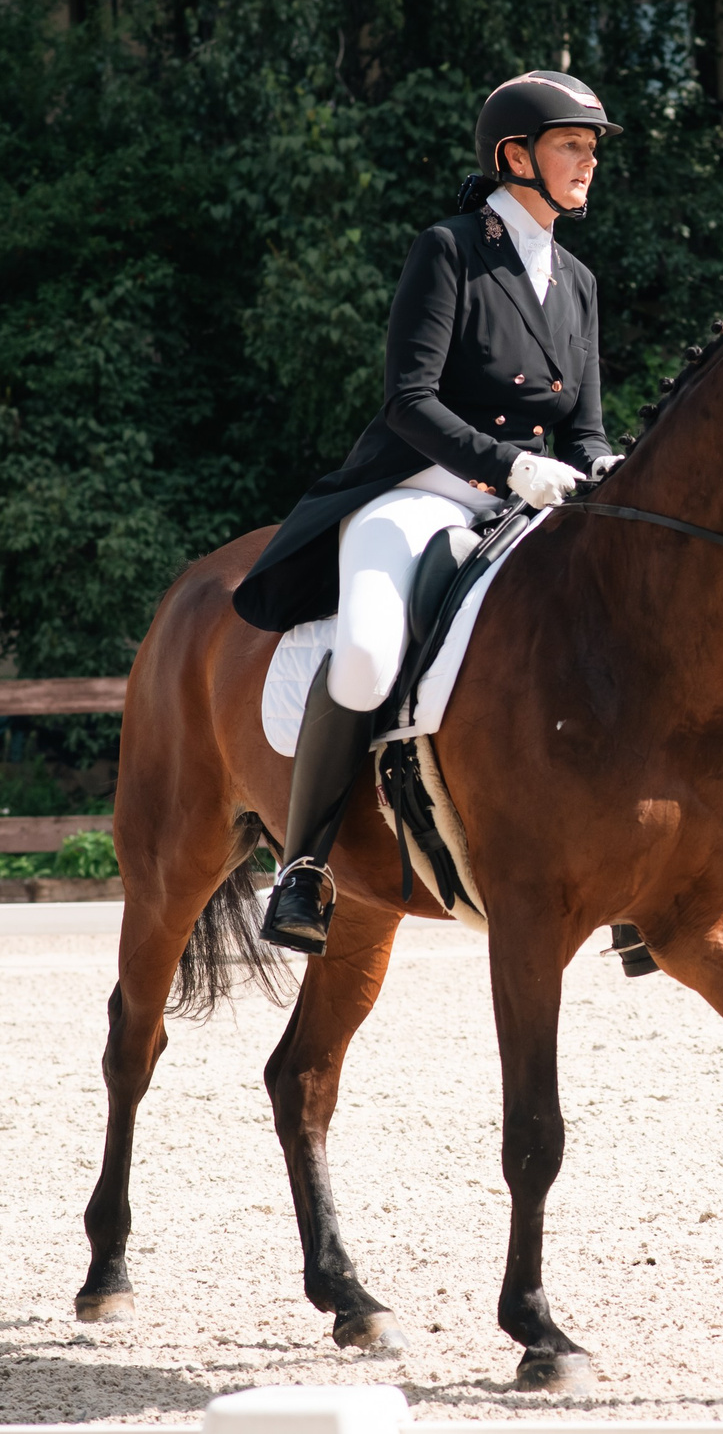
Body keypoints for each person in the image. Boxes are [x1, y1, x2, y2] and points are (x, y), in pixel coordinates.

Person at [231, 70, 622, 954]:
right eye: (572, 146)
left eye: (592, 149)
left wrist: (608, 468)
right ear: (515, 156)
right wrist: (512, 464)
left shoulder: (579, 280)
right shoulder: (450, 249)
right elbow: (409, 399)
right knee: (366, 656)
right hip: (419, 495)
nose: (588, 162)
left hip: (528, 503)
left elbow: (587, 429)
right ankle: (305, 869)